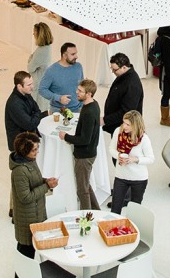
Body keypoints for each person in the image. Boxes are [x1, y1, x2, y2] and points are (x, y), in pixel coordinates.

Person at [11, 132, 58, 278]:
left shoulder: (30, 162)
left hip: (36, 211)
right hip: (27, 216)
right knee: (26, 249)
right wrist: (46, 186)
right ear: (25, 151)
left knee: (29, 248)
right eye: (34, 150)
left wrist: (45, 181)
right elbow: (25, 197)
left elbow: (35, 180)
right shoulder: (19, 171)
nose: (37, 152)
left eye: (37, 149)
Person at [58, 79, 100, 210]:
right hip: (89, 153)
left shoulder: (88, 112)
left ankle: (86, 218)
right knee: (85, 185)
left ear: (89, 94)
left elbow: (84, 139)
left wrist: (66, 136)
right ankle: (96, 211)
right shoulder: (93, 105)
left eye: (80, 91)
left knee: (82, 190)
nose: (77, 92)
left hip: (84, 156)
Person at [110, 111, 154, 214]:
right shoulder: (118, 132)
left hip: (139, 179)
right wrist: (118, 155)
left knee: (135, 212)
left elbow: (151, 158)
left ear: (135, 125)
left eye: (128, 124)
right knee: (115, 209)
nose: (124, 126)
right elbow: (111, 149)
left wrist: (135, 159)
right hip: (121, 176)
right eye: (123, 123)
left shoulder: (144, 139)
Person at [102, 53, 144, 137]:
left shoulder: (132, 84)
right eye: (112, 69)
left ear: (124, 67)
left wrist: (105, 120)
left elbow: (126, 112)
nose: (113, 72)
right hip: (117, 125)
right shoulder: (123, 75)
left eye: (115, 70)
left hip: (126, 129)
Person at [39, 42, 83, 114]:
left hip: (77, 110)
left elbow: (81, 86)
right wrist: (58, 98)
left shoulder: (78, 67)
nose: (76, 56)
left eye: (76, 53)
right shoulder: (51, 71)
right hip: (58, 111)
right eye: (73, 54)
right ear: (64, 55)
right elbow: (42, 89)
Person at [5, 71, 43, 152]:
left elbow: (37, 109)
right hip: (20, 146)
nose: (32, 87)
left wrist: (34, 116)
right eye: (29, 85)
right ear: (19, 86)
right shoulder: (14, 104)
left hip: (28, 141)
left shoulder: (26, 94)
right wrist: (35, 116)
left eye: (32, 83)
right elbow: (29, 124)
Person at [26, 22, 54, 113]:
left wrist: (30, 58)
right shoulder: (47, 47)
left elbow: (30, 68)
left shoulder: (41, 52)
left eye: (35, 32)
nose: (33, 34)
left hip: (39, 83)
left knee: (38, 110)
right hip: (44, 80)